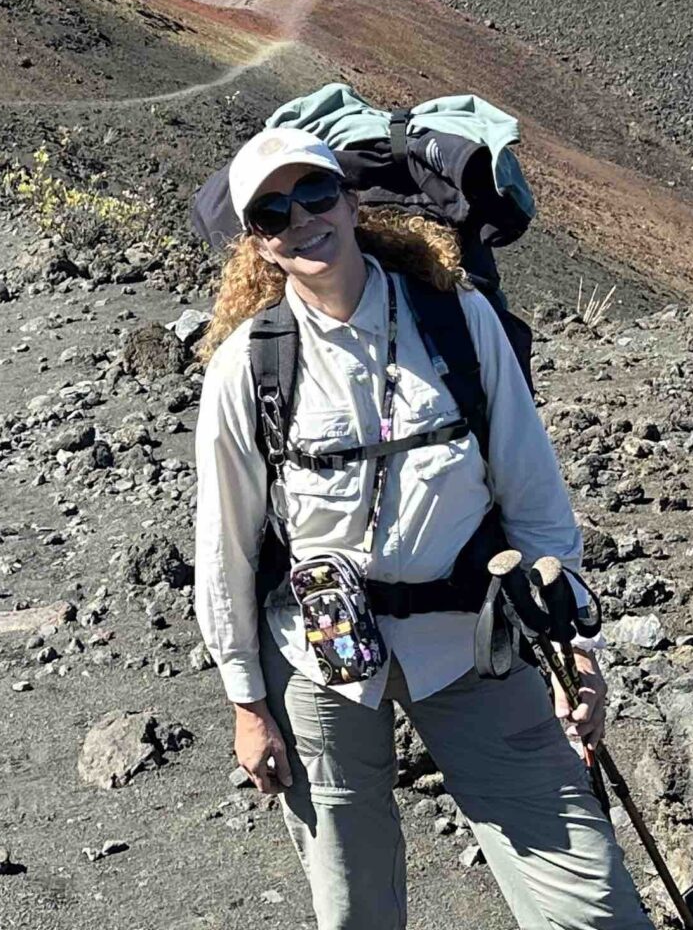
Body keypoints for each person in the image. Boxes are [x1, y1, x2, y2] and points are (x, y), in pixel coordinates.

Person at [193, 126, 654, 930]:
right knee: (352, 906)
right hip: (319, 655)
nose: (301, 219)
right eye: (273, 212)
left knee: (591, 903)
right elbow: (225, 549)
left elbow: (533, 491)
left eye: (314, 193)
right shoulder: (247, 367)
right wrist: (247, 703)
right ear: (258, 245)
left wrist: (577, 649)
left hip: (473, 643)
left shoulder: (454, 319)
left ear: (349, 199)